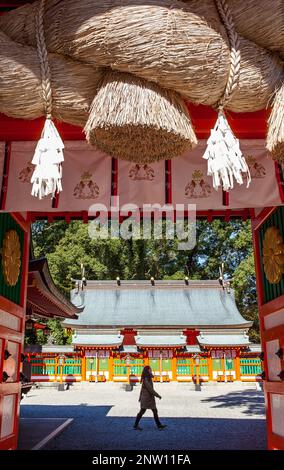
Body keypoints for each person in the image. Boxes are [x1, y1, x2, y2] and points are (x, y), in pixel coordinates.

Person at [133, 365, 167, 430]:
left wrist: (140, 397)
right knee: (142, 411)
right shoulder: (146, 379)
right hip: (146, 398)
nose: (151, 370)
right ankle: (136, 425)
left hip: (149, 398)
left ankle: (159, 425)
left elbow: (143, 389)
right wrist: (158, 395)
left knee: (154, 411)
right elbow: (150, 389)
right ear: (147, 370)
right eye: (150, 369)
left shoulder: (148, 378)